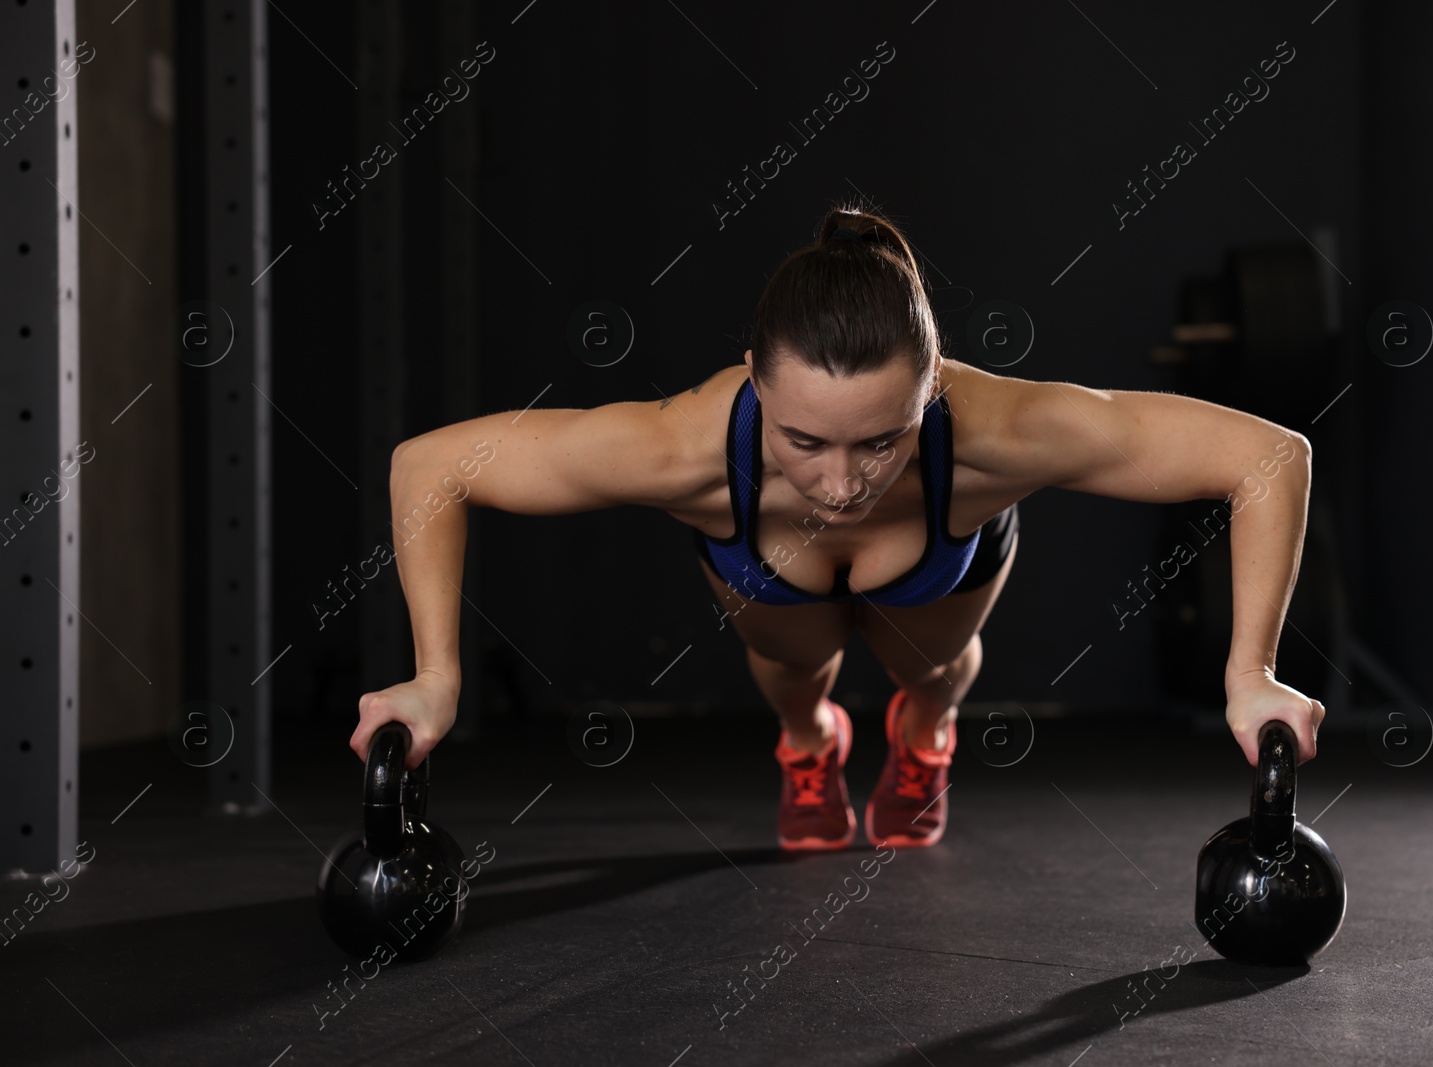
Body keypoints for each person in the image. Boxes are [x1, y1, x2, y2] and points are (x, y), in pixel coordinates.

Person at [349, 202, 1326, 852]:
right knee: (791, 674)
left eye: (881, 442)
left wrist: (1250, 671)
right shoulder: (679, 446)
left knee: (935, 670)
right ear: (754, 377)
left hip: (936, 580)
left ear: (931, 389)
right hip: (771, 581)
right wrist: (437, 673)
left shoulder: (1004, 433)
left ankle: (926, 732)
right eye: (804, 439)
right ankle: (809, 742)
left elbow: (1268, 456)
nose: (841, 481)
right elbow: (430, 468)